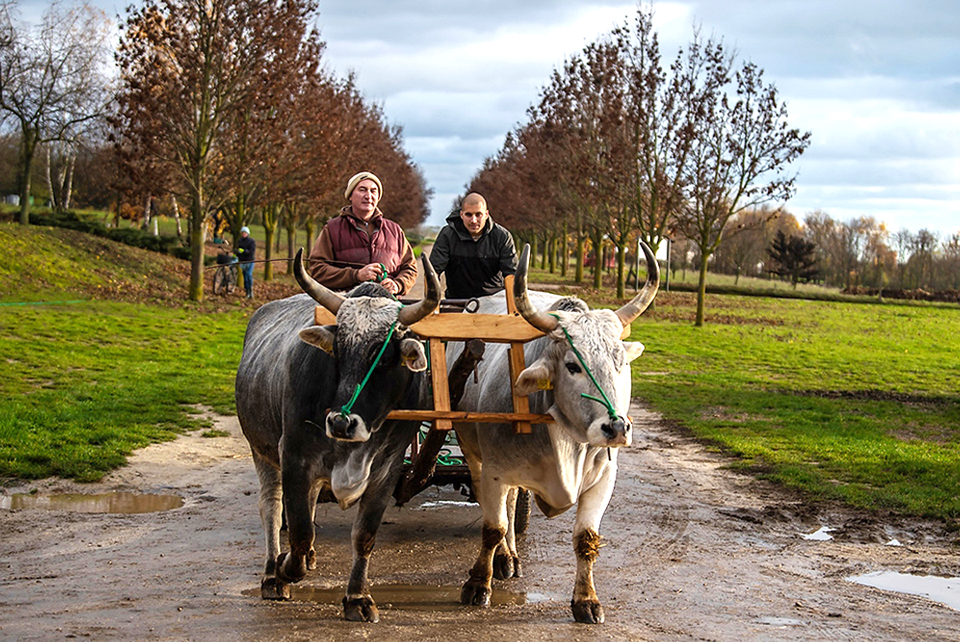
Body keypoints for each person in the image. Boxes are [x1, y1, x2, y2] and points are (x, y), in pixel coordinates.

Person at [308, 171, 417, 296]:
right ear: (350, 196)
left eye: (373, 191)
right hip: (344, 308)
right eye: (362, 190)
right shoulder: (332, 229)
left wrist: (397, 285)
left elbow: (410, 268)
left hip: (388, 308)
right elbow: (318, 269)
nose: (368, 196)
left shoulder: (395, 230)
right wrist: (356, 275)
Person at [429, 192, 517, 299]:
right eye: (468, 215)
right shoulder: (447, 235)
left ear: (486, 214)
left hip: (494, 301)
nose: (473, 220)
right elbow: (433, 272)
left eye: (478, 214)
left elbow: (511, 275)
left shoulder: (502, 237)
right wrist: (432, 303)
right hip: (456, 301)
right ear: (461, 215)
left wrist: (512, 308)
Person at [235, 226, 257, 299]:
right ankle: (247, 291)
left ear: (247, 233)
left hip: (250, 261)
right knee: (245, 277)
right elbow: (238, 250)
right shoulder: (239, 241)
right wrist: (237, 252)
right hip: (242, 261)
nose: (244, 234)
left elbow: (251, 251)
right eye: (242, 233)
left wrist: (245, 251)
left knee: (249, 275)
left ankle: (251, 291)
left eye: (245, 233)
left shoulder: (251, 241)